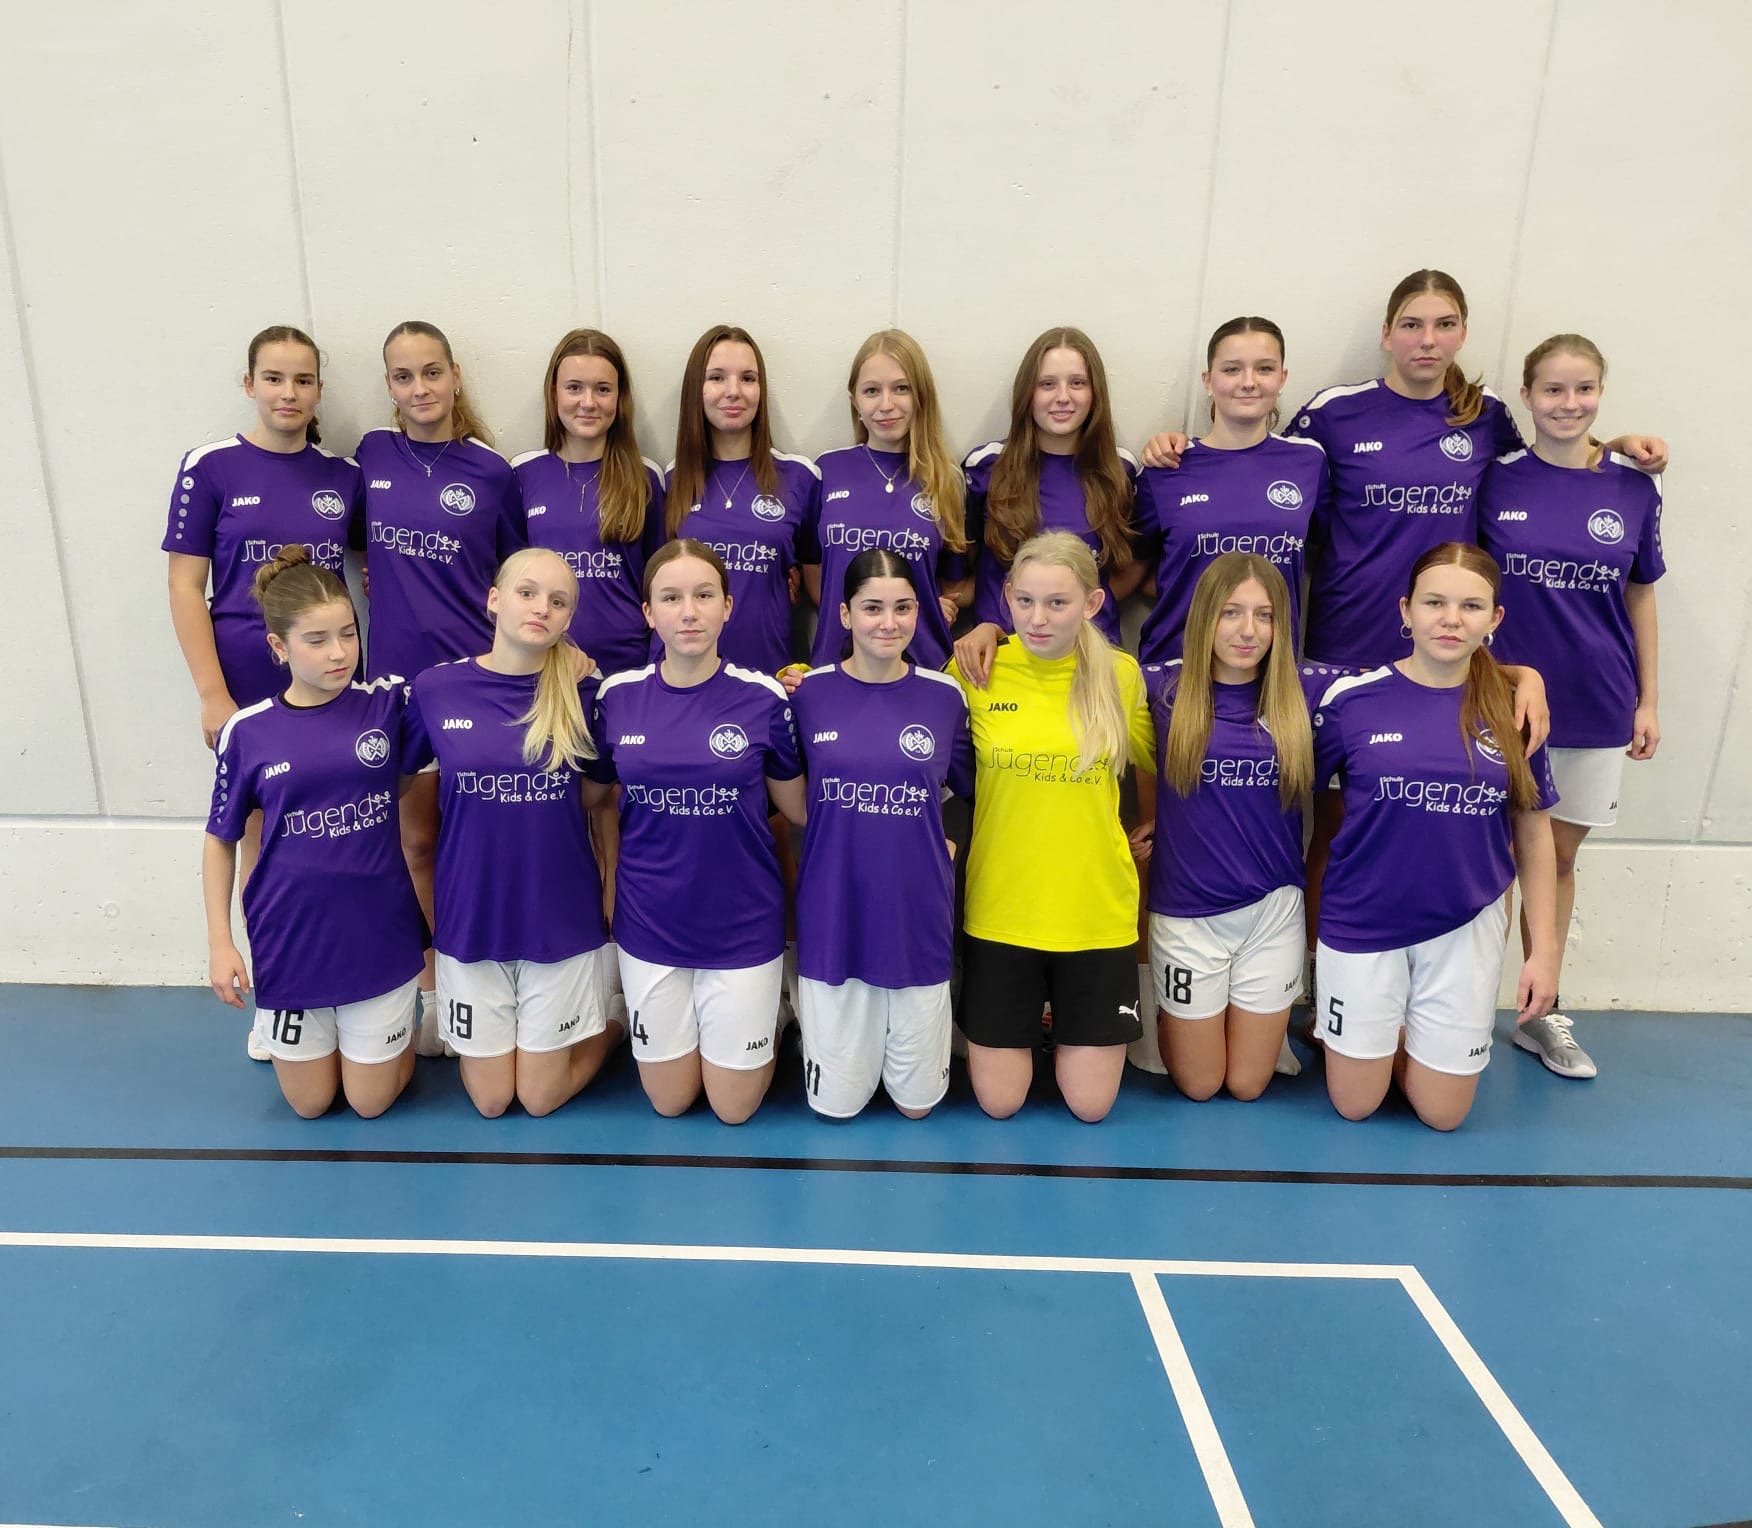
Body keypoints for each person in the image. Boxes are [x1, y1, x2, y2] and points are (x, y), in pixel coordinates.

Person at [1310, 542, 1560, 1131]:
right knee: (1355, 1105)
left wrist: (1544, 951)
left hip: (1464, 927)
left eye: (1471, 606)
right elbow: (1298, 800)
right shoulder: (1350, 701)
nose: (1451, 619)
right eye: (1434, 603)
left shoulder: (1515, 708)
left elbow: (1533, 832)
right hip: (1362, 922)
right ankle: (1380, 1034)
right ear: (1406, 610)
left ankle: (1409, 1039)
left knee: (1443, 1115)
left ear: (1495, 618)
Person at [165, 324, 364, 1059]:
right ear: (249, 384)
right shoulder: (211, 466)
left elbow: (373, 570)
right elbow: (184, 586)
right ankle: (276, 994)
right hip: (247, 686)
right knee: (261, 844)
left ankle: (352, 986)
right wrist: (212, 693)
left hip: (333, 683)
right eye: (274, 378)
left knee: (339, 835)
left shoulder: (344, 477)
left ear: (319, 391)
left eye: (303, 380)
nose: (289, 393)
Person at [1481, 334, 1665, 1080]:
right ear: (1526, 396)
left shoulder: (1634, 488)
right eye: (1553, 390)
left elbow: (1640, 595)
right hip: (1498, 705)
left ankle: (1539, 1011)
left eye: (1583, 389)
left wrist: (1649, 700)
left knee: (1556, 858)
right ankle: (1460, 1005)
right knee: (1483, 859)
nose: (1569, 403)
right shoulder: (1493, 479)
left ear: (1600, 394)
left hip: (1596, 702)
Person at [401, 548, 622, 1118]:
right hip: (472, 919)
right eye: (527, 593)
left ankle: (614, 1023)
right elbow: (396, 782)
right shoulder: (436, 689)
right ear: (494, 600)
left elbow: (599, 797)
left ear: (569, 619)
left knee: (540, 1098)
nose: (541, 608)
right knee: (493, 1099)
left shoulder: (588, 694)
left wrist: (609, 892)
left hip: (559, 919)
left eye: (558, 601)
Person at [203, 547, 424, 1117]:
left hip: (379, 932)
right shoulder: (247, 732)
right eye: (317, 640)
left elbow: (474, 684)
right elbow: (220, 840)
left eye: (348, 634)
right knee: (310, 1104)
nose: (339, 653)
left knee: (370, 1103)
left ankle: (399, 1029)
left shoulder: (388, 704)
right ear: (279, 647)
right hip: (290, 939)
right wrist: (221, 943)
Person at [593, 540, 808, 1124]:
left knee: (733, 1108)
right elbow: (594, 798)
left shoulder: (764, 698)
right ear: (648, 613)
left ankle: (775, 1011)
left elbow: (799, 809)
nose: (688, 612)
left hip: (741, 922)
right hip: (650, 921)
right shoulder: (616, 697)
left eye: (704, 595)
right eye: (671, 598)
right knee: (670, 1102)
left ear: (727, 607)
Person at [356, 320, 526, 1055]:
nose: (420, 387)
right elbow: (358, 546)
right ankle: (434, 993)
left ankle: (496, 983)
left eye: (432, 372)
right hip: (398, 688)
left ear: (456, 375)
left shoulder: (493, 472)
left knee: (485, 845)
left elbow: (518, 577)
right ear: (389, 386)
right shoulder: (370, 455)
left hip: (477, 690)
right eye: (404, 376)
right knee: (418, 842)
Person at [949, 531, 1154, 1122]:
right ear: (1008, 596)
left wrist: (1158, 823)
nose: (1038, 619)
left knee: (1091, 1106)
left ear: (1092, 604)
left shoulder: (1121, 676)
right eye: (1026, 601)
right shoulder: (975, 668)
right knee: (1000, 1103)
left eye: (1058, 603)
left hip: (1094, 915)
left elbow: (1165, 756)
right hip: (1002, 910)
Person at [1138, 555, 1333, 1101]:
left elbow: (1415, 674)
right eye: (1231, 612)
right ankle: (1171, 1015)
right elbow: (1069, 657)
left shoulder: (1306, 690)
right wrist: (989, 631)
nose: (1248, 630)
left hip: (1272, 913)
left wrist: (1518, 675)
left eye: (1263, 615)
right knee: (1200, 1085)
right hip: (1186, 913)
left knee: (1247, 1085)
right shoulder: (1161, 687)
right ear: (1205, 615)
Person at [788, 550, 973, 1118]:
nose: (888, 623)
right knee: (837, 1108)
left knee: (918, 1107)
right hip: (835, 915)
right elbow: (785, 794)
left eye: (902, 608)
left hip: (916, 916)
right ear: (845, 615)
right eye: (872, 608)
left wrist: (947, 845)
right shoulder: (806, 694)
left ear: (919, 611)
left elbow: (973, 790)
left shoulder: (945, 697)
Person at [1133, 318, 1327, 664]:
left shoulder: (1309, 461)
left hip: (1270, 670)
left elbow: (1328, 552)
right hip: (1176, 665)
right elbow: (1132, 570)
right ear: (1208, 380)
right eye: (1232, 369)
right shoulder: (1167, 466)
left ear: (1282, 378)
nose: (1248, 382)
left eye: (1264, 368)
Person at [959, 328, 1141, 660]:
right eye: (1047, 384)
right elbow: (959, 567)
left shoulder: (1120, 470)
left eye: (1077, 383)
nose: (1063, 397)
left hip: (1093, 660)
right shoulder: (986, 466)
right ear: (1027, 392)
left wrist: (1080, 609)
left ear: (1095, 392)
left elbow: (1131, 567)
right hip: (1005, 660)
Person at [800, 330, 970, 671]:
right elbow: (816, 573)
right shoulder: (826, 471)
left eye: (901, 388)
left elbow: (955, 583)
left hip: (922, 667)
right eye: (872, 391)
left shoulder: (946, 479)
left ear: (921, 395)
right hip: (838, 665)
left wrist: (931, 606)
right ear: (855, 401)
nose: (886, 404)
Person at [665, 325, 819, 675]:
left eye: (748, 379)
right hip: (683, 679)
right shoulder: (670, 481)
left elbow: (820, 588)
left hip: (768, 676)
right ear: (696, 389)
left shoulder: (800, 478)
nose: (733, 391)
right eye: (717, 378)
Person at [513, 328, 667, 678]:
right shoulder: (523, 474)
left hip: (630, 668)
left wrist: (656, 667)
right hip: (544, 665)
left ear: (620, 397)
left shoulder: (646, 478)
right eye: (574, 387)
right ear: (554, 393)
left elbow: (662, 584)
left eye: (603, 389)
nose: (588, 402)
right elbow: (508, 582)